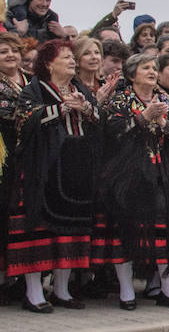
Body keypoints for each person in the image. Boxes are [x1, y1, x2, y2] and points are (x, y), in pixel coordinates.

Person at [102, 51, 169, 308]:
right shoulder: (120, 101)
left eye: (153, 68)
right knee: (126, 231)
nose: (151, 72)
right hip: (129, 177)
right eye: (145, 68)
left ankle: (168, 290)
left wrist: (166, 125)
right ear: (131, 74)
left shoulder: (166, 101)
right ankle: (127, 291)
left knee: (167, 229)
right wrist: (141, 118)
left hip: (164, 174)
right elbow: (112, 134)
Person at [4, 40, 100, 312]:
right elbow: (25, 120)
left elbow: (98, 119)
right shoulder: (33, 90)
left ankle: (62, 290)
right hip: (42, 171)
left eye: (72, 57)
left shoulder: (79, 89)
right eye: (66, 57)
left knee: (68, 232)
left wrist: (86, 108)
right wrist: (61, 108)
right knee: (38, 232)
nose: (72, 61)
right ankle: (34, 293)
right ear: (49, 63)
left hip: (74, 172)